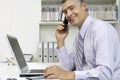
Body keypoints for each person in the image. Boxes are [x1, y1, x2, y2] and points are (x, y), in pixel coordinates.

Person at [44, 0, 120, 80]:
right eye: (65, 12)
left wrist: (71, 75)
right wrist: (60, 41)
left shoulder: (101, 29)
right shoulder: (79, 37)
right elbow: (67, 69)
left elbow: (105, 74)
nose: (68, 14)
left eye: (72, 8)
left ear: (83, 6)